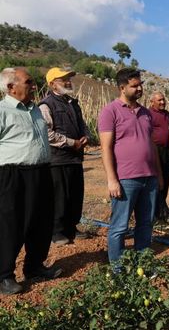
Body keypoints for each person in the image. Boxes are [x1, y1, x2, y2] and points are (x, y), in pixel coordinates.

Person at [0, 67, 62, 295]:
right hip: (13, 175)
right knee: (12, 225)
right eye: (28, 82)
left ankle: (34, 265)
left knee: (41, 221)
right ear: (10, 87)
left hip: (42, 171)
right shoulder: (2, 111)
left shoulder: (34, 109)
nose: (34, 86)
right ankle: (4, 275)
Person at [98, 68, 163, 264]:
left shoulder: (145, 113)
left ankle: (141, 264)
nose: (140, 88)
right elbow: (106, 147)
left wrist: (158, 175)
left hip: (149, 177)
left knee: (146, 223)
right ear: (122, 88)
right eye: (134, 86)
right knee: (119, 226)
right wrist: (112, 180)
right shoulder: (110, 112)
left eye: (140, 84)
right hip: (126, 179)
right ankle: (118, 268)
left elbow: (151, 145)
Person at [39, 68, 91, 245]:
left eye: (68, 79)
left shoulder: (73, 103)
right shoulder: (46, 105)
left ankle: (72, 228)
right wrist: (71, 143)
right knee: (59, 197)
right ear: (52, 84)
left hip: (75, 158)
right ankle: (57, 232)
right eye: (63, 80)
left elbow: (83, 125)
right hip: (58, 159)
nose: (68, 82)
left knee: (75, 195)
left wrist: (86, 136)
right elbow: (47, 133)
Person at [149, 91, 169, 223]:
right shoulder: (149, 114)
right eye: (159, 100)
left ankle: (162, 206)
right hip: (154, 150)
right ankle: (157, 210)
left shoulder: (167, 114)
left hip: (166, 150)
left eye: (163, 99)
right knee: (157, 179)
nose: (163, 102)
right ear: (152, 102)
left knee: (166, 176)